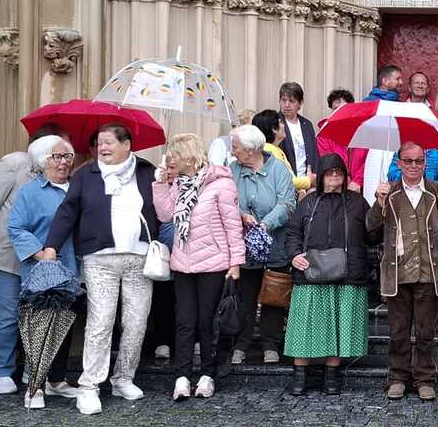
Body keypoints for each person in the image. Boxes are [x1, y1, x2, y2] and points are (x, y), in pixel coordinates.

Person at [40, 123, 161, 416]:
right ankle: (90, 385)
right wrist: (51, 246)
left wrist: (167, 182)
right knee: (101, 322)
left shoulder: (147, 172)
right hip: (99, 259)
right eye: (100, 143)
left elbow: (164, 208)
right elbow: (67, 211)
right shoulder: (86, 175)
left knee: (136, 322)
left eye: (109, 142)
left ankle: (123, 378)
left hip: (140, 258)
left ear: (127, 145)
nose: (102, 148)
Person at [152, 133, 244, 402]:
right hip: (183, 263)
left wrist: (236, 262)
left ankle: (207, 374)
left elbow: (232, 225)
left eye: (175, 155)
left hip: (213, 263)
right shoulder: (178, 184)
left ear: (189, 157)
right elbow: (165, 215)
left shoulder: (221, 184)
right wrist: (161, 185)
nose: (170, 160)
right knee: (184, 322)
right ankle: (182, 376)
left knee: (207, 323)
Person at [367, 141, 438, 400]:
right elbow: (371, 230)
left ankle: (425, 378)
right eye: (408, 161)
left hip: (429, 270)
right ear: (399, 163)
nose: (414, 166)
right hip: (396, 272)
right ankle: (397, 377)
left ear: (425, 163)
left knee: (426, 331)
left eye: (419, 161)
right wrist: (379, 202)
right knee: (398, 331)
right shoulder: (389, 192)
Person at [0, 125, 60, 396]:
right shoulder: (13, 164)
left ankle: (32, 368)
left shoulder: (60, 174)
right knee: (6, 315)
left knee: (38, 315)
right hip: (7, 255)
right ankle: (0, 370)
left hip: (41, 259)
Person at [286, 154, 371, 396]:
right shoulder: (308, 202)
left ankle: (331, 375)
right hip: (310, 271)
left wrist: (382, 206)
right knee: (303, 327)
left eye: (339, 171)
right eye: (330, 172)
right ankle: (299, 375)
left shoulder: (357, 202)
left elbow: (373, 234)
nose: (335, 176)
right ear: (321, 175)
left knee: (337, 327)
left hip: (347, 273)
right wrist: (294, 255)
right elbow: (293, 232)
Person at [7, 135, 83, 407]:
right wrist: (42, 254)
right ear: (42, 161)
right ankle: (35, 387)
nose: (63, 162)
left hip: (73, 269)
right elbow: (16, 228)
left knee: (65, 324)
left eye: (67, 156)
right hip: (43, 270)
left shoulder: (77, 188)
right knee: (40, 327)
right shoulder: (31, 192)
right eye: (56, 157)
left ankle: (57, 380)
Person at [226, 125, 297, 366]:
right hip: (244, 248)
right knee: (245, 297)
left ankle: (270, 344)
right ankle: (241, 343)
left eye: (236, 147)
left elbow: (287, 203)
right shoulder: (232, 170)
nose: (233, 151)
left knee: (273, 296)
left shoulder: (279, 170)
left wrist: (265, 225)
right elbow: (225, 200)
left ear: (250, 150)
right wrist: (241, 215)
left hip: (275, 245)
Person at [349, 65, 404, 197]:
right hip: (370, 166)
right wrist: (357, 179)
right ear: (385, 81)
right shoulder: (368, 106)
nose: (401, 82)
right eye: (397, 79)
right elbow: (361, 146)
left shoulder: (400, 106)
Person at [277, 82, 322, 186]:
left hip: (308, 182)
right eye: (283, 100)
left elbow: (314, 154)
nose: (286, 105)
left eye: (291, 101)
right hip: (286, 183)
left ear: (300, 104)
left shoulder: (307, 124)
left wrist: (313, 178)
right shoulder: (276, 123)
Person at [318, 88, 355, 181]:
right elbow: (327, 161)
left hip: (359, 184)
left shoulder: (359, 130)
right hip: (335, 180)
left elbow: (364, 161)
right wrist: (343, 177)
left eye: (343, 108)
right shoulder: (324, 134)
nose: (339, 112)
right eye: (335, 109)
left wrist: (357, 181)